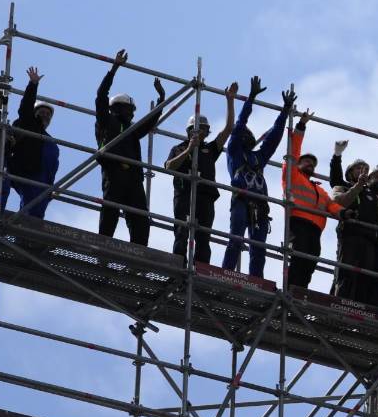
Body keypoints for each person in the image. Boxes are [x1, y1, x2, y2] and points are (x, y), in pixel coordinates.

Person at [222, 77, 294, 278]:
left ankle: (256, 279)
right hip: (242, 201)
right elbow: (240, 122)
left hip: (260, 205)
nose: (243, 134)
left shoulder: (258, 157)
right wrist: (251, 98)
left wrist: (285, 111)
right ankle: (226, 273)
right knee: (236, 238)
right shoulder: (234, 152)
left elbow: (274, 137)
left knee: (258, 247)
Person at [95, 50, 165, 244]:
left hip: (133, 177)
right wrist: (114, 68)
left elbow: (148, 123)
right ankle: (103, 250)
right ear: (117, 108)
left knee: (141, 219)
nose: (132, 113)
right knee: (110, 213)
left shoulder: (131, 130)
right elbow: (101, 95)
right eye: (129, 109)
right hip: (114, 170)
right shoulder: (106, 121)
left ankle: (139, 255)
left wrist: (161, 100)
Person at [164, 83, 237, 264]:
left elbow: (228, 129)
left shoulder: (210, 150)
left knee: (203, 239)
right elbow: (169, 167)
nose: (201, 132)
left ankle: (200, 272)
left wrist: (230, 100)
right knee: (181, 234)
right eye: (198, 128)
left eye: (204, 129)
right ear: (189, 131)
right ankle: (178, 269)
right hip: (184, 195)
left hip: (205, 197)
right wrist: (189, 150)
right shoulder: (179, 148)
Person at [284, 116, 346, 290]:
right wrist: (301, 126)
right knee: (299, 258)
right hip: (298, 223)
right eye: (306, 161)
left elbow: (330, 205)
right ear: (298, 163)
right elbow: (293, 151)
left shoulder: (318, 189)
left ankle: (300, 291)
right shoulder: (292, 176)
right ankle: (290, 290)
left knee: (311, 262)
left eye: (313, 163)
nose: (310, 164)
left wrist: (343, 213)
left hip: (315, 229)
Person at [334, 165, 378, 307]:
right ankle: (339, 305)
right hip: (350, 236)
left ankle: (359, 310)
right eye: (377, 177)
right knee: (346, 274)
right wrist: (358, 185)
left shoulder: (374, 198)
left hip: (368, 241)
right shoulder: (344, 187)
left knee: (364, 279)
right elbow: (339, 202)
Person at [6, 67, 61, 219]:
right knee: (31, 205)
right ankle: (24, 234)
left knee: (38, 208)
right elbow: (26, 107)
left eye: (48, 114)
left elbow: (53, 166)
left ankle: (30, 236)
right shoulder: (27, 123)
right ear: (34, 113)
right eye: (41, 112)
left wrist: (51, 187)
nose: (45, 115)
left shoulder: (51, 141)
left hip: (44, 180)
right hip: (28, 171)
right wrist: (33, 84)